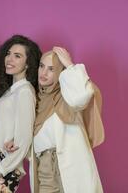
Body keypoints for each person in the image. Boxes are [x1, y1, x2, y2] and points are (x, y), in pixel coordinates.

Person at [31, 47, 104, 192]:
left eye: (52, 69)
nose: (44, 73)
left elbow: (82, 96)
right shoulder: (34, 98)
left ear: (60, 72)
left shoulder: (68, 95)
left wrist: (69, 65)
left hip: (71, 163)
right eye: (41, 66)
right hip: (44, 168)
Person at [0, 35, 42, 192]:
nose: (9, 59)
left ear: (28, 63)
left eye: (17, 56)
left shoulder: (25, 92)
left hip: (3, 166)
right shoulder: (10, 91)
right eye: (8, 54)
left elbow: (24, 140)